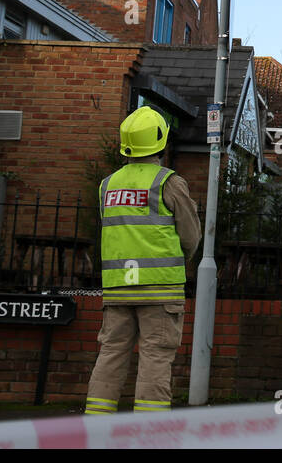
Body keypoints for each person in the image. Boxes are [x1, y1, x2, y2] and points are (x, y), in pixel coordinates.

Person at [85, 106, 200, 415]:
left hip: (118, 288)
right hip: (160, 291)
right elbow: (190, 236)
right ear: (160, 141)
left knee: (111, 355)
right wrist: (178, 259)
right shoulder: (169, 182)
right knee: (156, 357)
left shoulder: (107, 185)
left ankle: (96, 424)